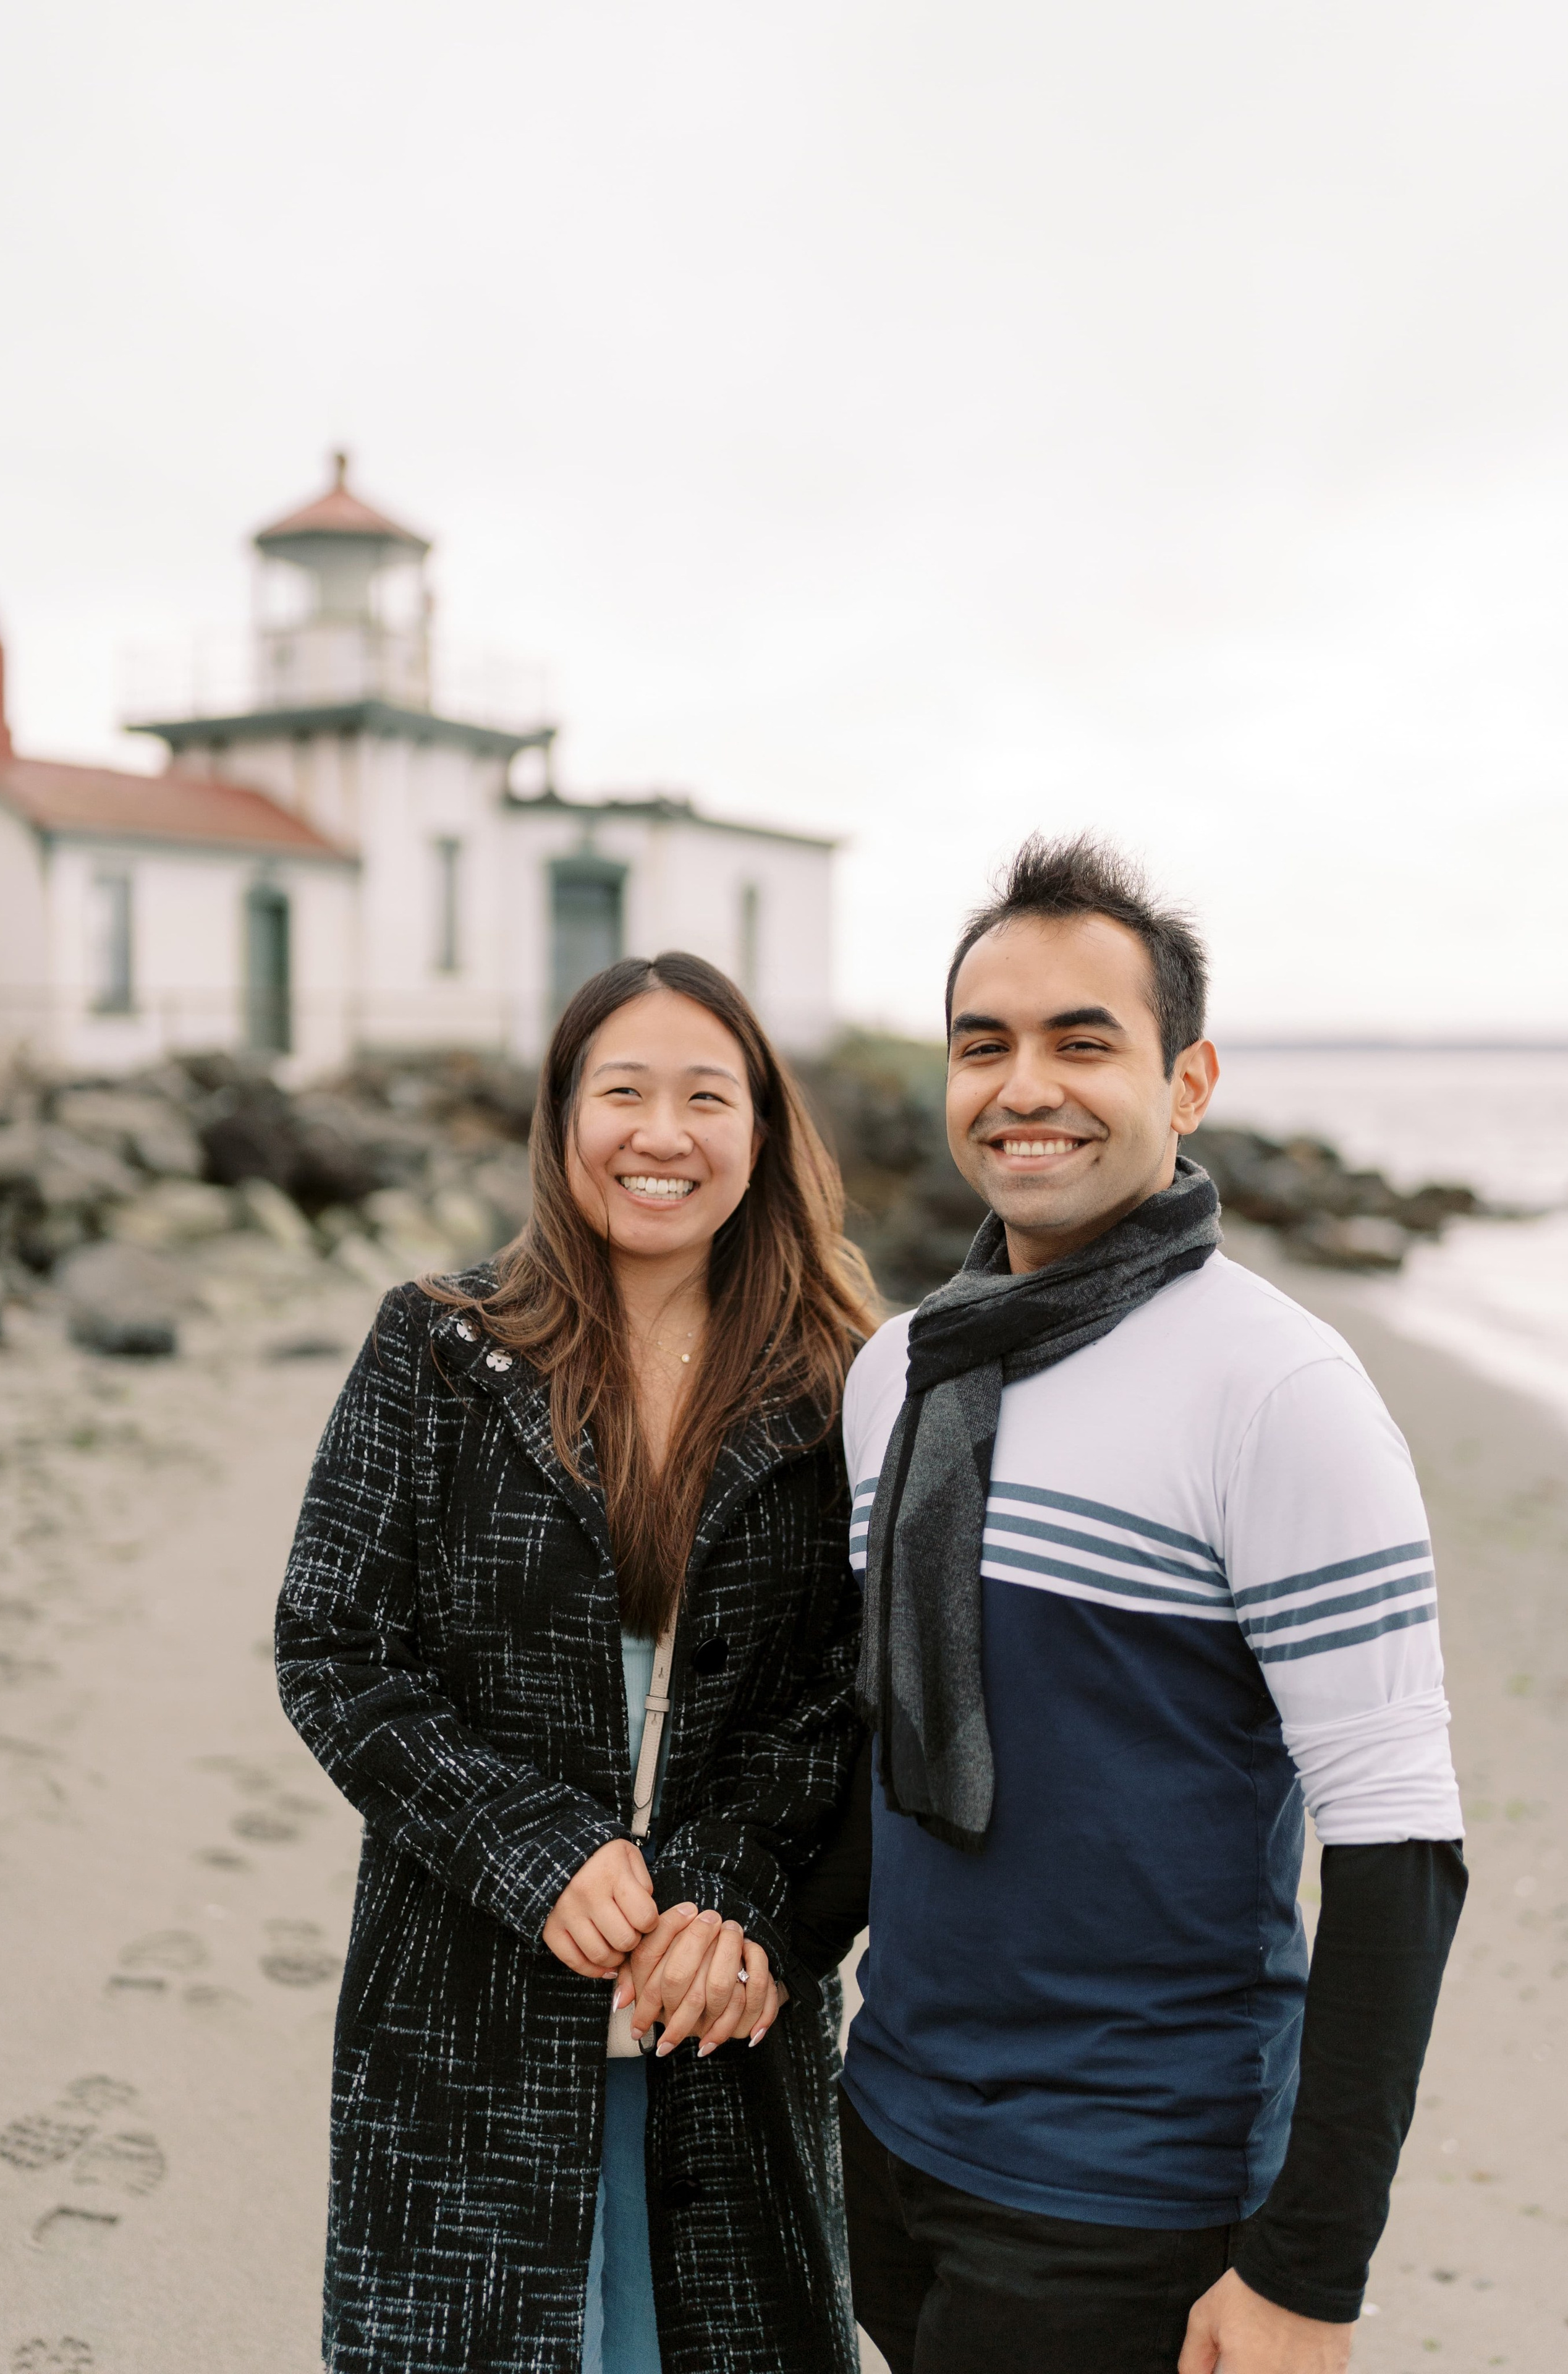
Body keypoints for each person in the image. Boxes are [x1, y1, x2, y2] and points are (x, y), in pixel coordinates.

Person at [837, 835, 1467, 2374]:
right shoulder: (897, 1375)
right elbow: (864, 1758)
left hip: (1128, 2192)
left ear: (1185, 1084)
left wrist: (1307, 2277)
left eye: (1080, 1041)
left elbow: (1399, 1849)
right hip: (888, 2127)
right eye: (982, 1045)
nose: (1022, 1085)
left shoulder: (1276, 1391)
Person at [276, 951, 878, 2373]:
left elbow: (849, 1697)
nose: (660, 1135)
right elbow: (333, 1649)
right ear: (560, 1122)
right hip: (468, 2006)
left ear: (762, 1131)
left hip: (717, 2010)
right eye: (622, 1091)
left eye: (704, 1096)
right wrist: (532, 1847)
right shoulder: (440, 1347)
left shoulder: (846, 1377)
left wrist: (737, 1901)